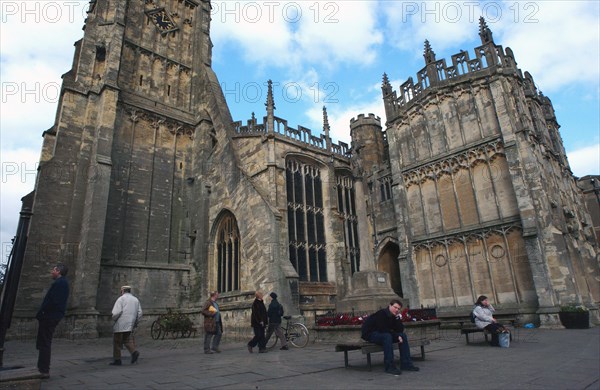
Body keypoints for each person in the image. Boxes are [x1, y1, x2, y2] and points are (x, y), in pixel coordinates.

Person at [361, 299, 420, 376]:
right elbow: (382, 329)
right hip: (370, 333)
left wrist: (397, 318)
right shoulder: (382, 313)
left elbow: (400, 330)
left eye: (398, 309)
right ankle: (389, 366)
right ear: (390, 306)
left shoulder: (394, 316)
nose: (396, 310)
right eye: (395, 307)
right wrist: (396, 336)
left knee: (403, 336)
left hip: (382, 333)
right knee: (387, 336)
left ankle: (406, 364)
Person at [36, 264, 70, 379]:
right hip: (50, 316)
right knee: (44, 342)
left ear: (58, 271)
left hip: (50, 316)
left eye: (53, 270)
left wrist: (44, 312)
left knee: (45, 342)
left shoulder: (61, 283)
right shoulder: (61, 283)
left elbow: (54, 301)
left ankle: (44, 370)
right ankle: (42, 368)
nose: (51, 272)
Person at [110, 286, 142, 365]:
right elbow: (140, 313)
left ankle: (117, 359)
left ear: (123, 290)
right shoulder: (135, 299)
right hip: (130, 323)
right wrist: (135, 321)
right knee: (126, 340)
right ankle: (134, 352)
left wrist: (114, 318)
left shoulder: (121, 299)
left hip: (121, 323)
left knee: (117, 341)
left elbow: (116, 312)